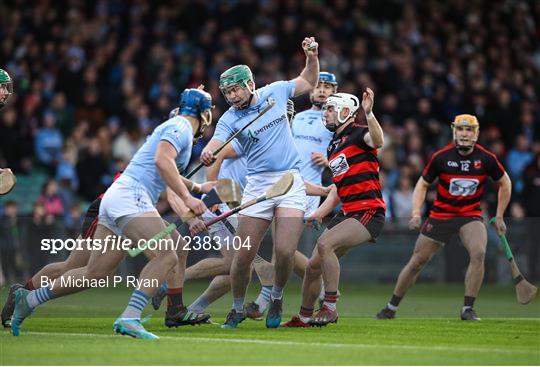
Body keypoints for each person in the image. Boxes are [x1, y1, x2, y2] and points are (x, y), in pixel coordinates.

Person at [10, 88, 215, 339]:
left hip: (117, 197)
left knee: (94, 273)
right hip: (132, 197)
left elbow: (164, 165)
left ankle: (29, 300)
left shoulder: (175, 127)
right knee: (167, 255)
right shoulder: (182, 127)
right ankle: (131, 316)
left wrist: (197, 187)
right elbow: (163, 162)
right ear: (203, 114)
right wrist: (188, 199)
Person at [200, 37, 320, 329]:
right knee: (243, 257)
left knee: (284, 252)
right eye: (227, 92)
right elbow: (218, 140)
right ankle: (237, 307)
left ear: (250, 84)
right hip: (258, 184)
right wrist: (208, 151)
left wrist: (312, 56)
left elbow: (308, 80)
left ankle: (276, 296)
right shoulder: (230, 117)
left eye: (235, 89)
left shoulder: (275, 93)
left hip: (290, 180)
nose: (232, 96)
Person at [375, 114, 511, 321]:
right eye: (460, 129)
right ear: (454, 132)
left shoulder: (486, 159)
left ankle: (467, 309)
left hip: (470, 216)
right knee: (416, 262)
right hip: (440, 216)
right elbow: (422, 184)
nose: (464, 134)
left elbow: (505, 183)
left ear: (476, 134)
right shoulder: (441, 157)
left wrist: (499, 215)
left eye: (469, 130)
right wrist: (415, 212)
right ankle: (391, 307)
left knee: (479, 253)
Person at [282, 89, 386, 327]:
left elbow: (378, 140)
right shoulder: (333, 146)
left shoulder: (361, 134)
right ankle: (305, 317)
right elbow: (339, 189)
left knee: (325, 244)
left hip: (369, 211)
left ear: (346, 112)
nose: (325, 114)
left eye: (330, 109)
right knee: (311, 266)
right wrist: (319, 212)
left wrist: (369, 114)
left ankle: (329, 307)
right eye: (326, 109)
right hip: (348, 212)